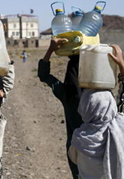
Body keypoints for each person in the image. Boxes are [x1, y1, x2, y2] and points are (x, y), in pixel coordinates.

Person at [68, 44, 124, 179]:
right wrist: (122, 66)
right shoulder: (119, 127)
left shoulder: (78, 139)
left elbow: (74, 159)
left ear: (84, 108)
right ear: (111, 106)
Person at [38, 37, 83, 179]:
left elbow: (43, 75)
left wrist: (50, 50)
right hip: (100, 150)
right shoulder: (99, 96)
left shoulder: (65, 93)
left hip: (75, 150)